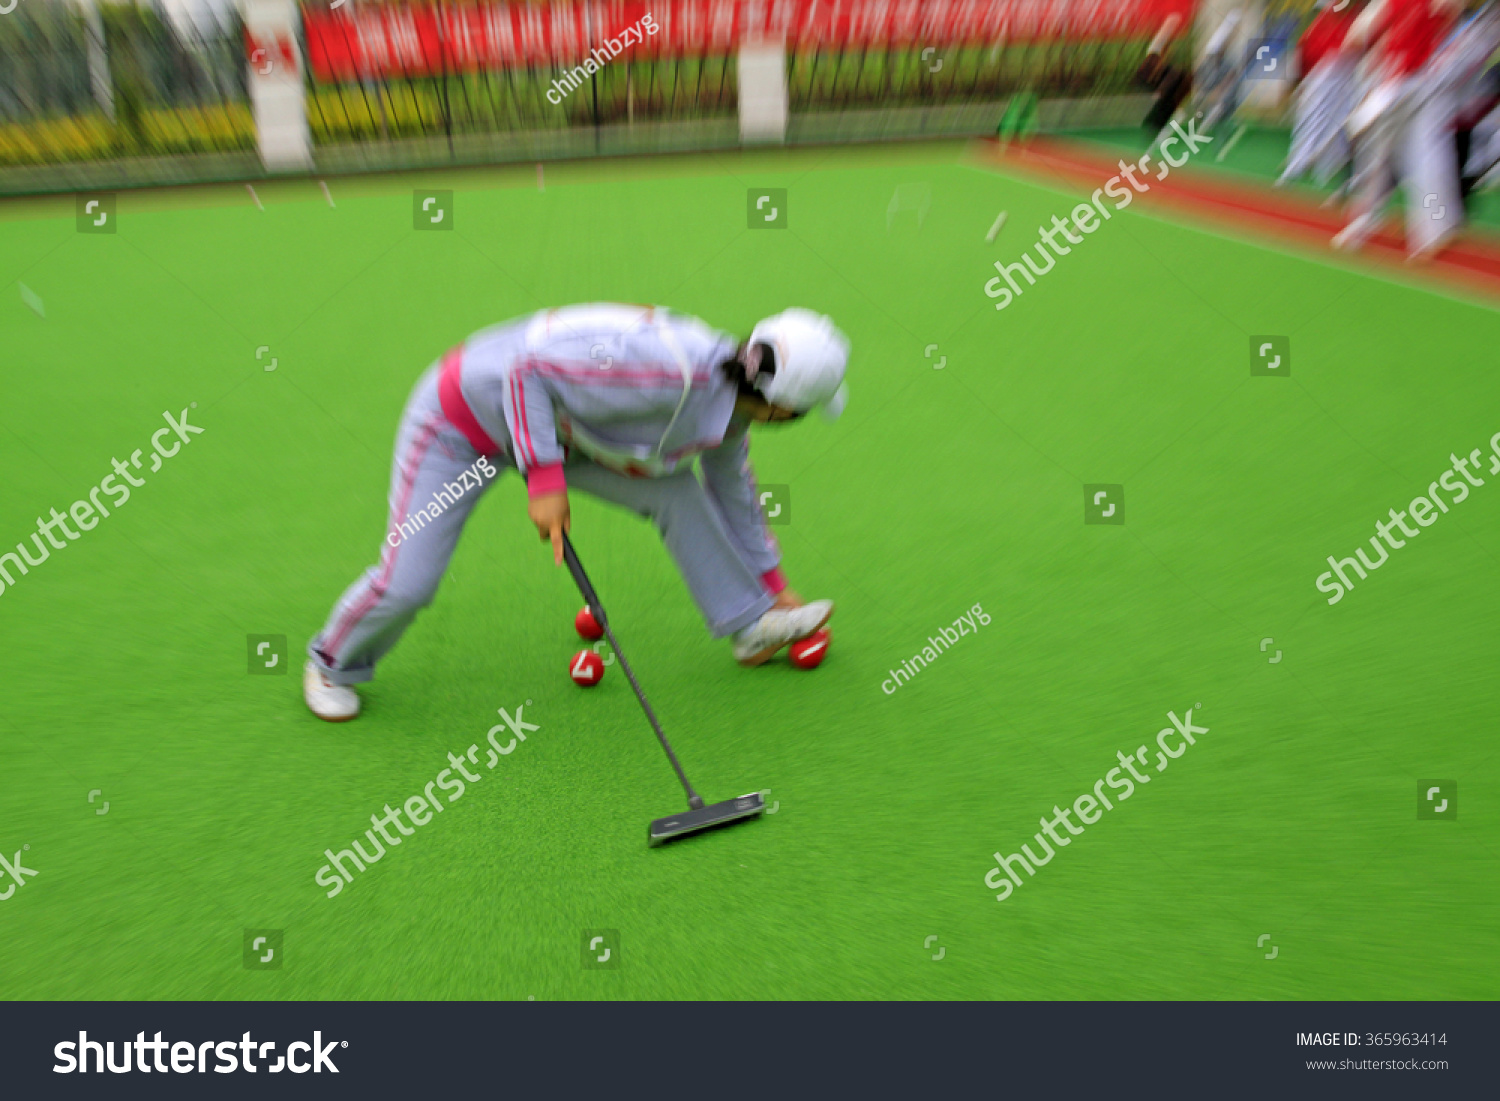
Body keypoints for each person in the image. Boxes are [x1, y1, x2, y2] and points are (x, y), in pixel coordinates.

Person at [302, 304, 849, 722]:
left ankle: (750, 624)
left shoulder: (730, 410)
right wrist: (543, 480)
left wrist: (774, 586)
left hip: (565, 436)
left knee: (674, 492)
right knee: (407, 584)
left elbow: (737, 498)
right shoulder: (672, 370)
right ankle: (331, 663)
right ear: (783, 408)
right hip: (462, 424)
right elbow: (527, 372)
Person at [1278, 0, 1365, 189]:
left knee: (1344, 126)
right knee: (1312, 120)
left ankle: (1333, 166)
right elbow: (1303, 53)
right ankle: (1303, 162)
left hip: (1344, 77)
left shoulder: (1351, 20)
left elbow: (1356, 47)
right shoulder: (1318, 26)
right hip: (1322, 77)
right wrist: (1299, 81)